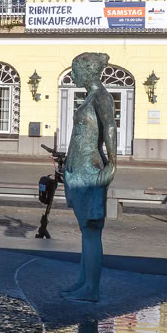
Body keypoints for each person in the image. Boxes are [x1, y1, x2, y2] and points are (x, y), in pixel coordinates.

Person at [61, 51, 117, 302]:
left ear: (88, 71)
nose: (73, 74)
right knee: (85, 230)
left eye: (75, 70)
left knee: (91, 231)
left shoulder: (102, 97)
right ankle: (83, 282)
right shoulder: (90, 97)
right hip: (78, 170)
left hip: (90, 170)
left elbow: (110, 127)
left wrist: (114, 162)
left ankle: (92, 289)